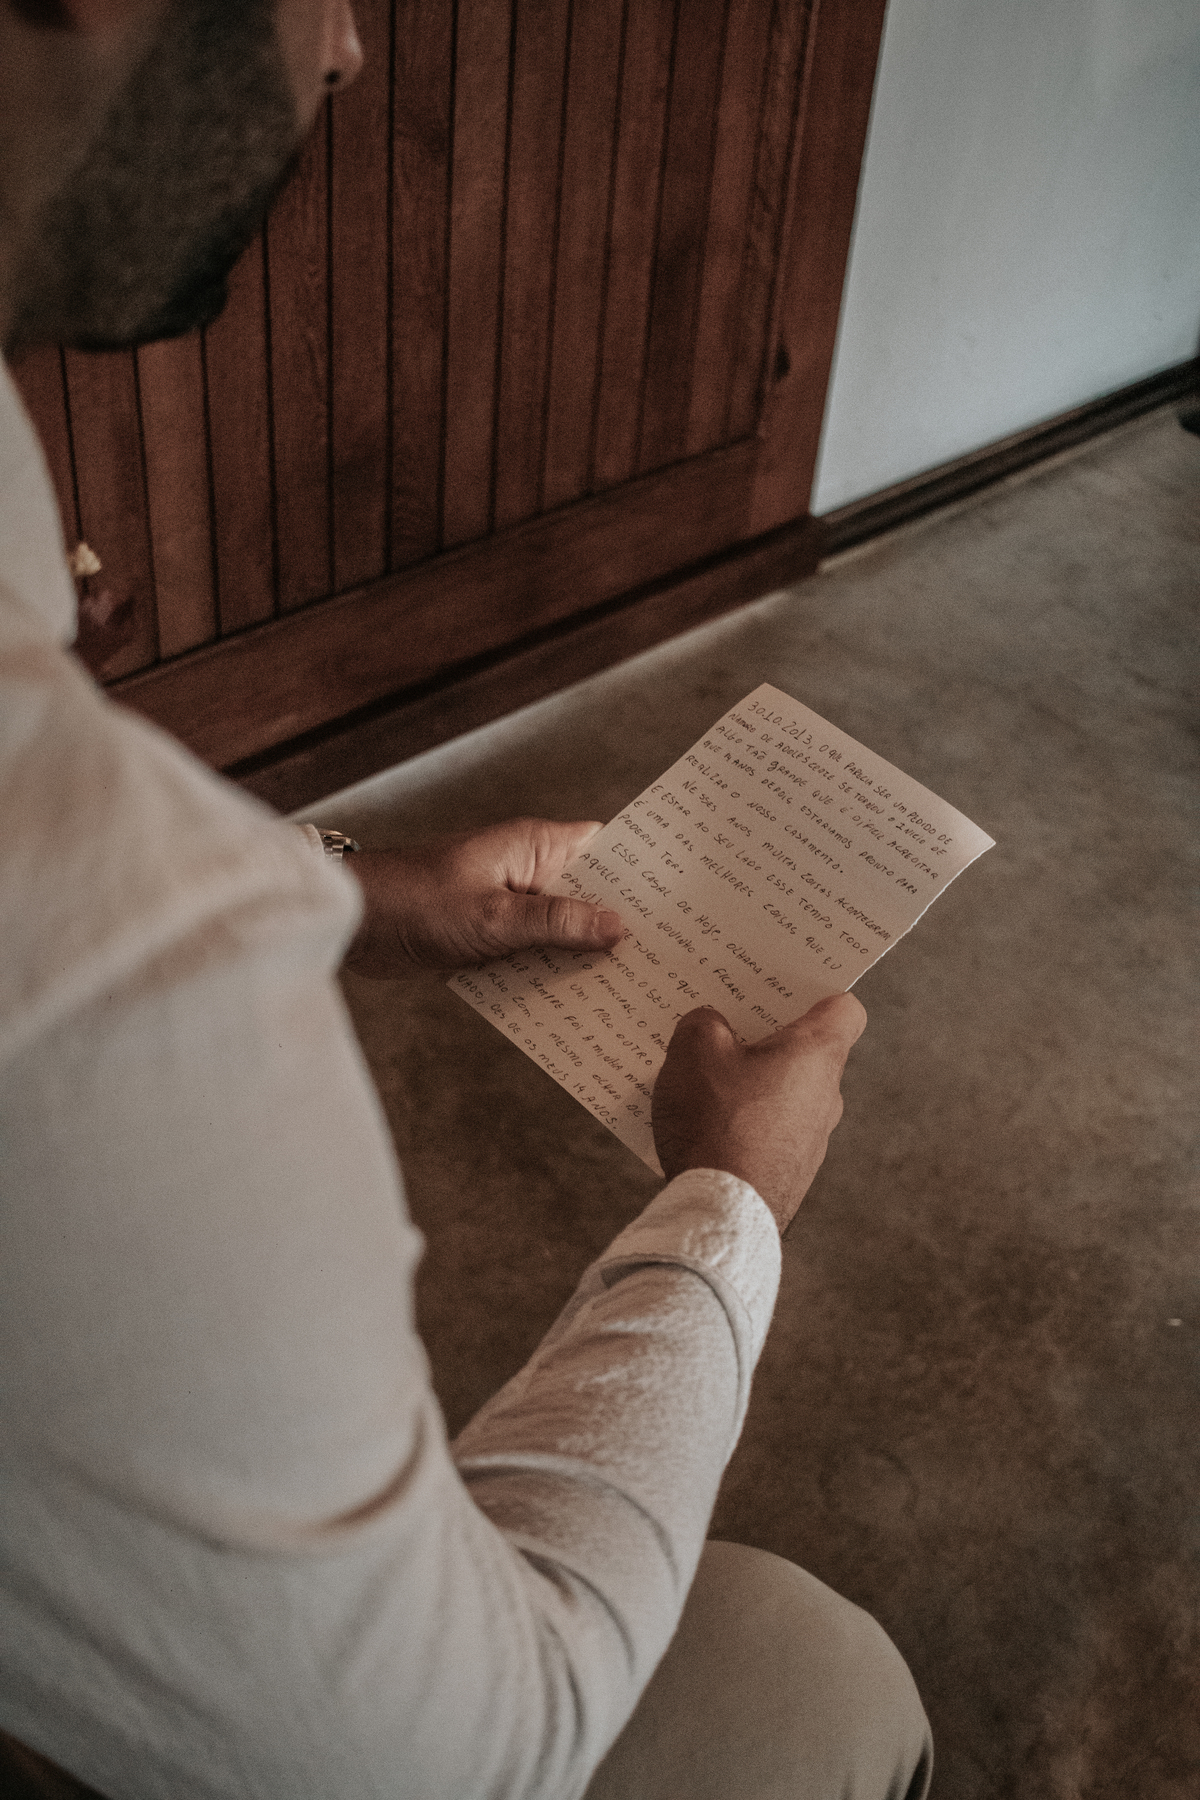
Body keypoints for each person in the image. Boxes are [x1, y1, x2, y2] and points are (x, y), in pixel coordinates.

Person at [0, 2, 933, 1796]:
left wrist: (354, 887)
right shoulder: (122, 982)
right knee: (819, 1677)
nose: (347, 48)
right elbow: (462, 1755)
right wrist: (731, 1205)